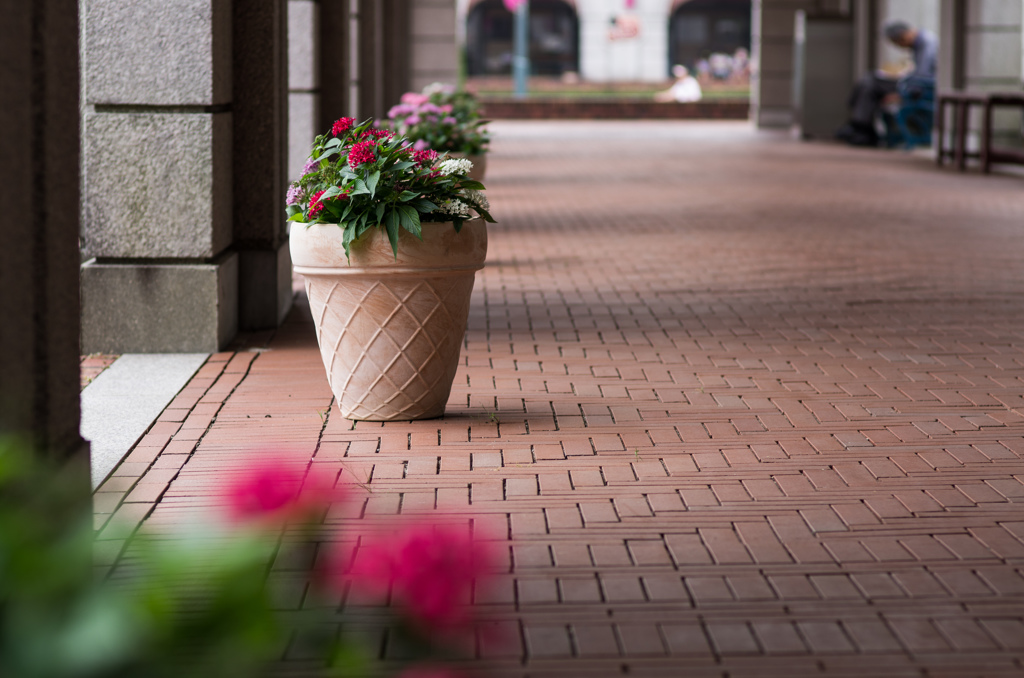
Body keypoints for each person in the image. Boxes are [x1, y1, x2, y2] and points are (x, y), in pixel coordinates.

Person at [836, 20, 938, 147]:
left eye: (898, 43)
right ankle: (860, 126)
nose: (900, 47)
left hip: (920, 89)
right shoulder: (921, 44)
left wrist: (900, 94)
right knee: (869, 81)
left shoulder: (927, 43)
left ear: (904, 35)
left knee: (870, 82)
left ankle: (859, 125)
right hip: (914, 85)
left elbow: (922, 76)